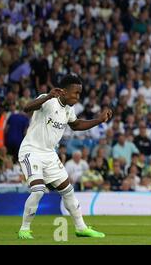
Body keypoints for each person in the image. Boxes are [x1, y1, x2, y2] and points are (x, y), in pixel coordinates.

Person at [17, 74, 113, 239]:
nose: (77, 97)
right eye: (75, 93)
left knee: (68, 191)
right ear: (63, 92)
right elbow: (27, 108)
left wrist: (98, 120)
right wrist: (47, 96)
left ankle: (81, 228)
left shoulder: (69, 109)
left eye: (79, 94)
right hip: (31, 151)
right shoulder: (48, 100)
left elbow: (76, 125)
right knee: (39, 191)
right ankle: (24, 229)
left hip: (49, 154)